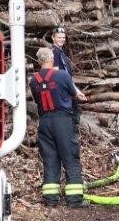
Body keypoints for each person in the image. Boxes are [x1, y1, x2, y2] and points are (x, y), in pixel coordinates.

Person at [30, 47, 85, 207]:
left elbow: (38, 99)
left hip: (45, 122)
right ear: (52, 59)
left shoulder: (34, 81)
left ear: (39, 61)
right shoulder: (62, 75)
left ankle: (51, 199)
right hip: (63, 121)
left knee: (50, 160)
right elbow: (74, 94)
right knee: (70, 158)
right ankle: (74, 200)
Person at [50, 26, 88, 118]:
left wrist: (77, 91)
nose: (62, 39)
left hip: (67, 90)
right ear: (53, 38)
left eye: (63, 37)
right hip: (62, 92)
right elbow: (55, 74)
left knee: (74, 116)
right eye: (59, 37)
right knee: (70, 117)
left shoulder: (61, 52)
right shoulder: (54, 53)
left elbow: (68, 77)